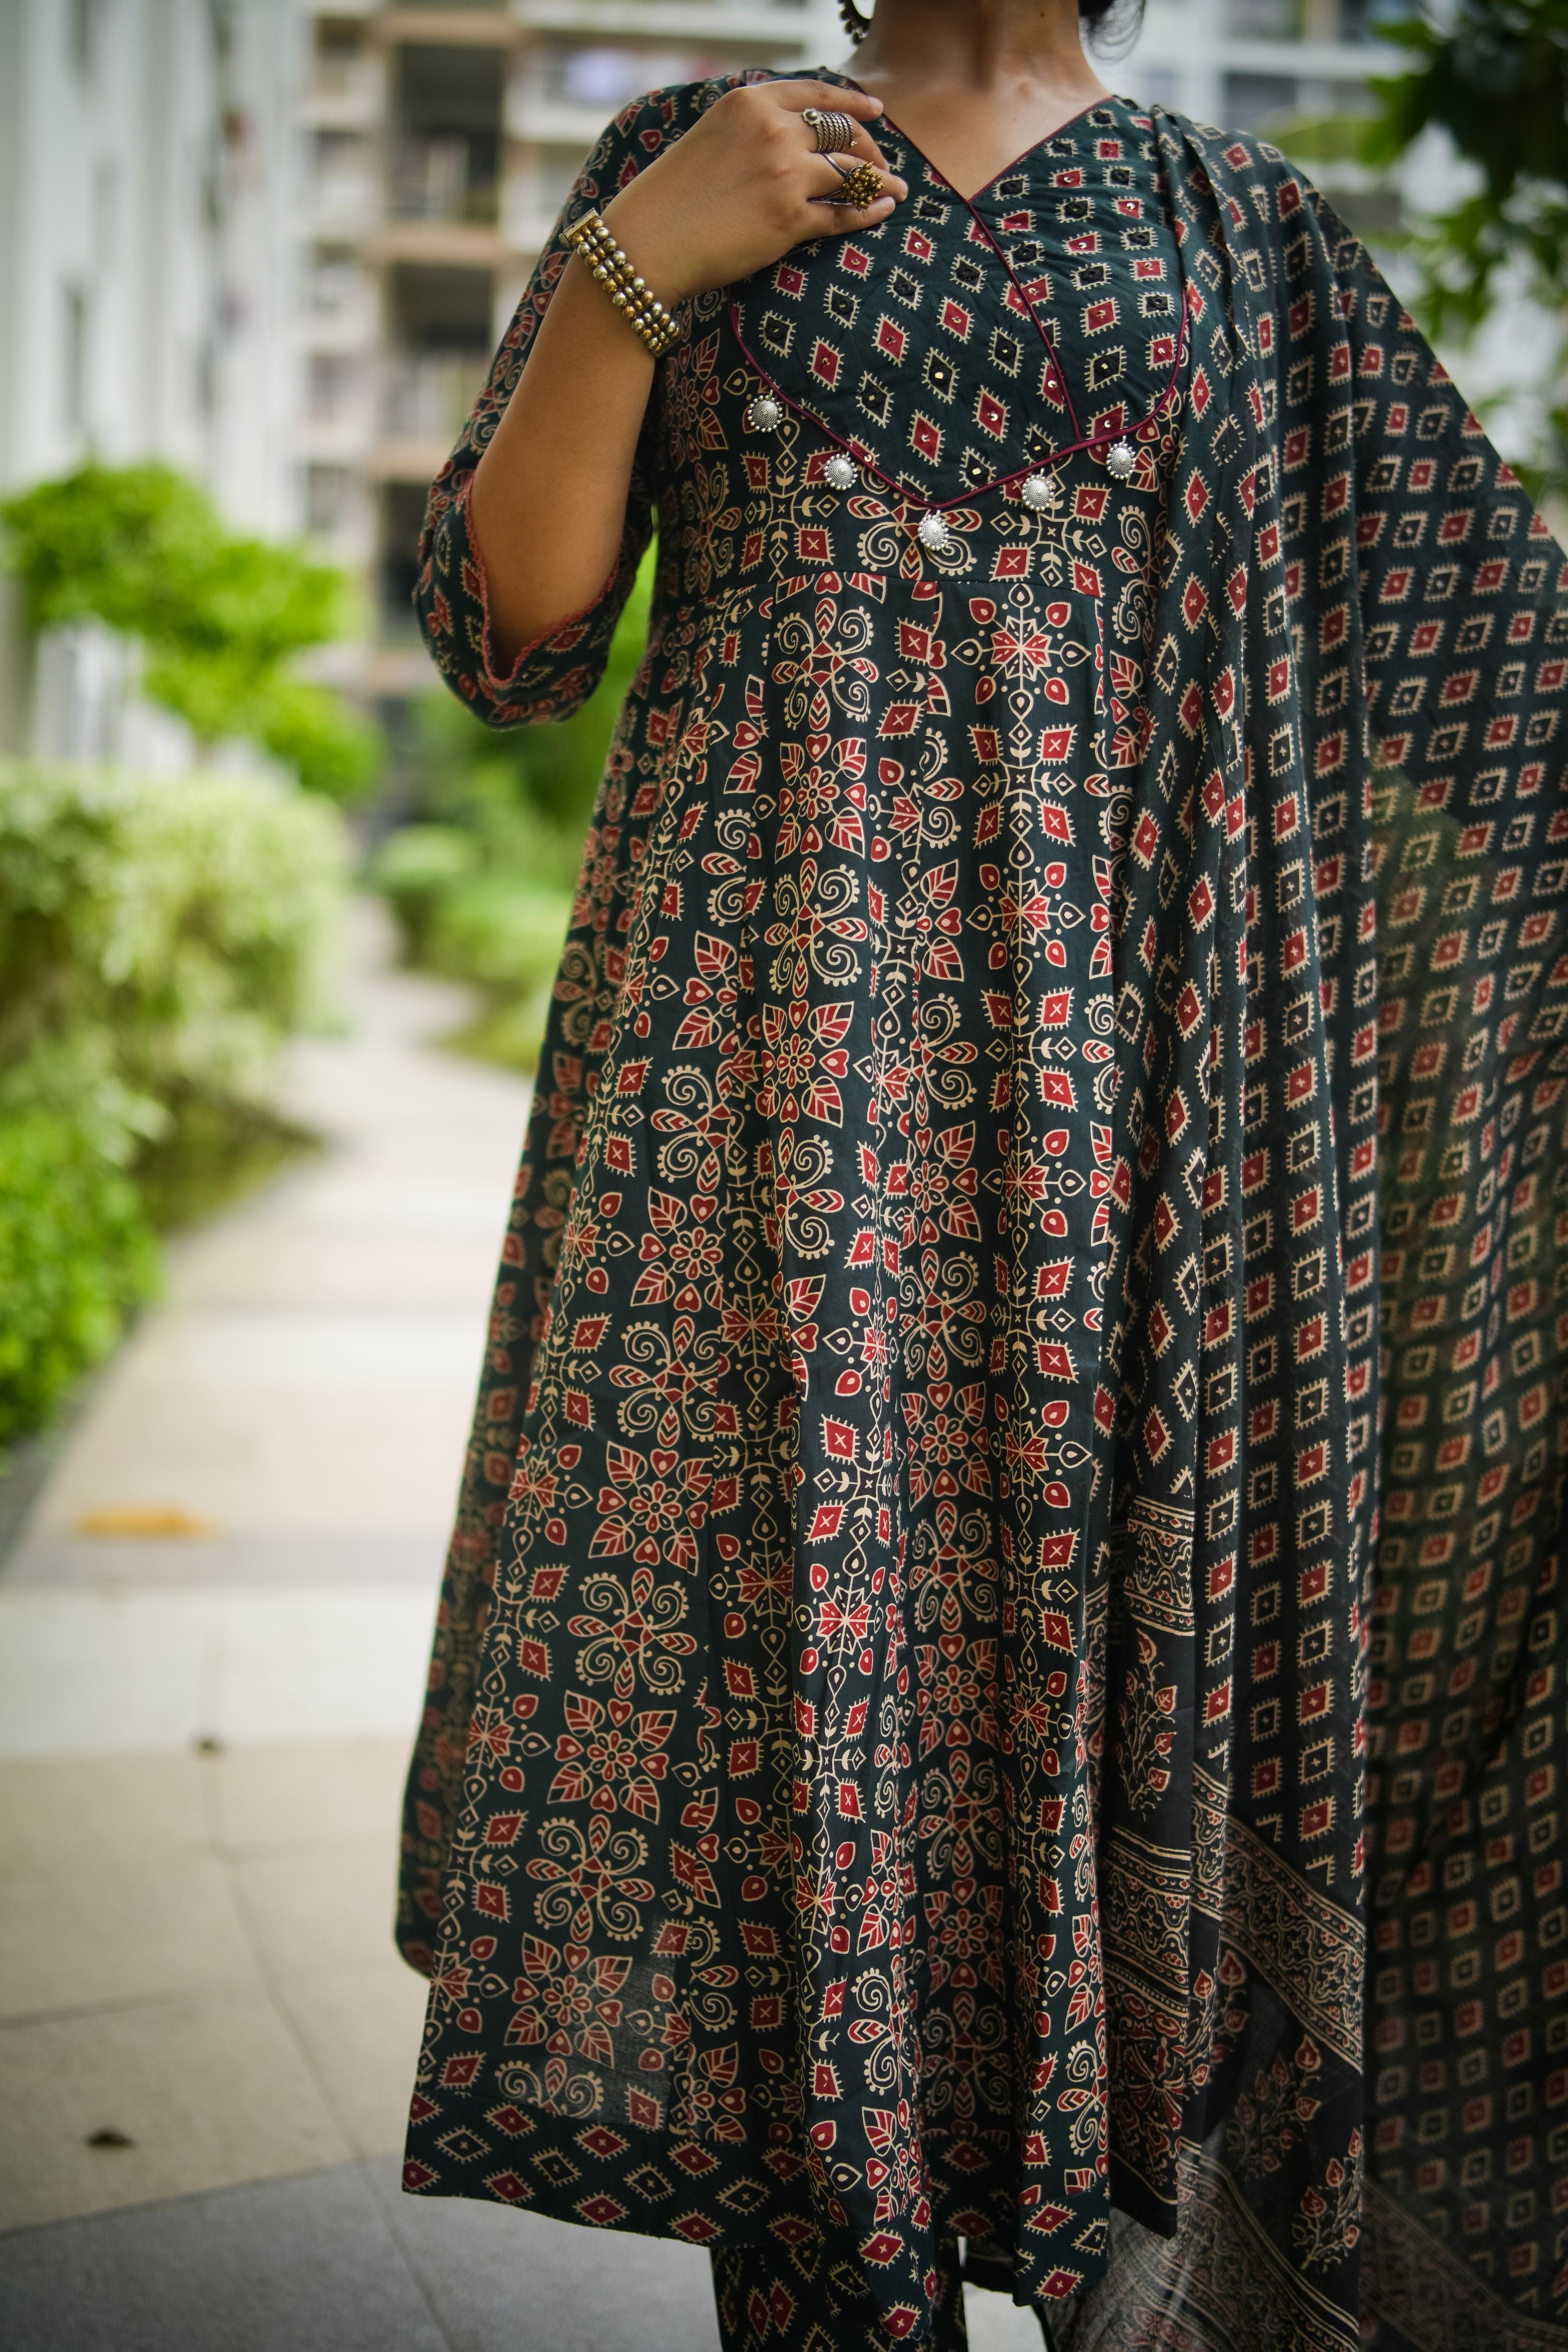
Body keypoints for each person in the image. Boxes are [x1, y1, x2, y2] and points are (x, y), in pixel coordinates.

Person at [393, 0, 1568, 2345]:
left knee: (1106, 1703)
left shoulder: (1244, 231)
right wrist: (641, 261)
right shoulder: (687, 151)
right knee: (795, 1698)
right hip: (756, 1103)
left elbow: (1495, 681)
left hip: (1137, 1131)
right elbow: (509, 634)